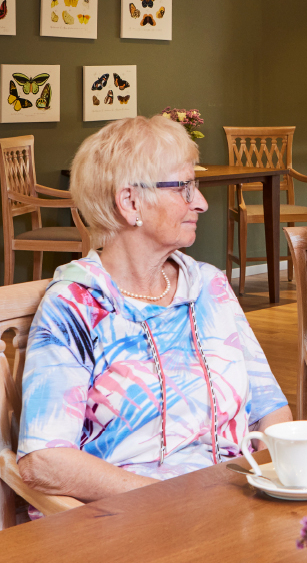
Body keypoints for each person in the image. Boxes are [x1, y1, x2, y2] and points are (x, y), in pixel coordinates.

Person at [18, 116, 291, 503]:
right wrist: (172, 501)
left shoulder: (209, 286)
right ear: (130, 202)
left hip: (237, 503)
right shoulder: (76, 305)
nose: (201, 202)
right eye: (184, 187)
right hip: (133, 521)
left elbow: (271, 410)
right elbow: (44, 459)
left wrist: (274, 486)